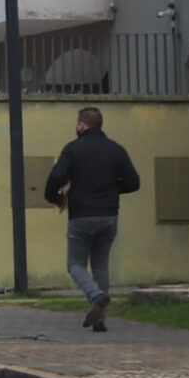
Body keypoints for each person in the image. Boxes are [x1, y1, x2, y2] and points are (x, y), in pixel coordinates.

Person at [43, 104, 142, 330]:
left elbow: (57, 175)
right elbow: (133, 183)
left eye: (77, 124)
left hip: (81, 216)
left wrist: (54, 197)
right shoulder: (116, 150)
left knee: (75, 264)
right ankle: (100, 320)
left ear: (82, 125)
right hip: (109, 216)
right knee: (101, 267)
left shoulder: (73, 149)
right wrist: (112, 188)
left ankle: (95, 294)